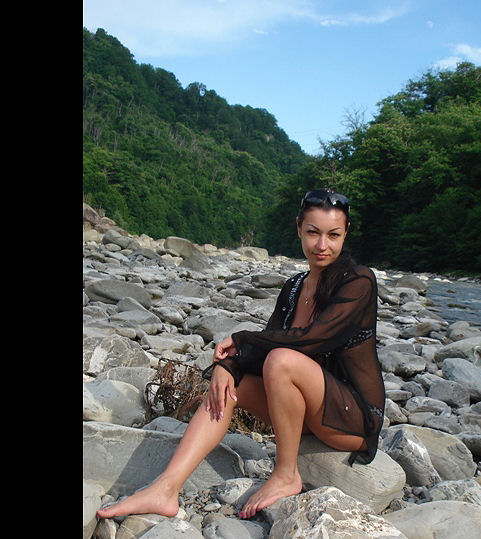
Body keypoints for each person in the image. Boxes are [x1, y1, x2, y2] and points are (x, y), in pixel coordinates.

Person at [97, 188, 385, 521]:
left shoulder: (359, 281)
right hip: (309, 409)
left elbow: (311, 340)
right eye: (313, 232)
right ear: (299, 228)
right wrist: (227, 367)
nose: (322, 245)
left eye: (333, 235)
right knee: (228, 387)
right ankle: (165, 489)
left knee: (282, 361)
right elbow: (269, 345)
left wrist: (240, 339)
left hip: (352, 416)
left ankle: (286, 474)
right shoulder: (294, 287)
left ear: (346, 233)